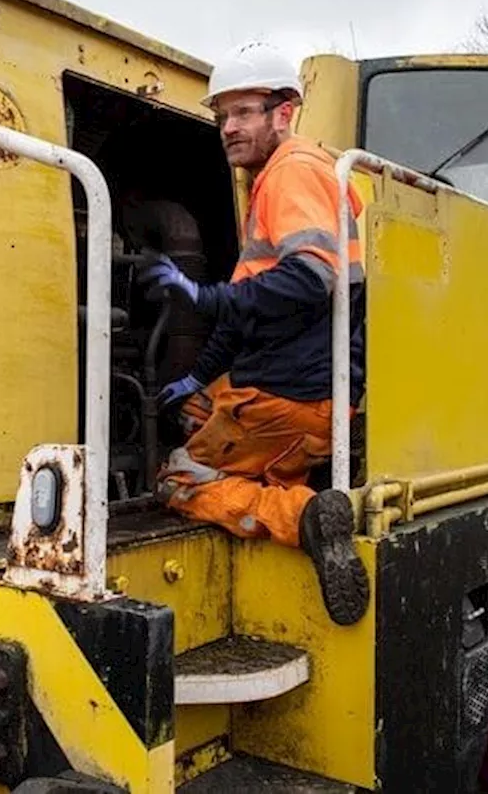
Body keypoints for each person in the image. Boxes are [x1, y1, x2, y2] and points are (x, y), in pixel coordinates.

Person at [137, 40, 370, 626]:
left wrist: (203, 296)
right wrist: (196, 372)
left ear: (284, 113)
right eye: (222, 117)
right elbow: (253, 313)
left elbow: (309, 280)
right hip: (306, 390)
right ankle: (267, 471)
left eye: (243, 113)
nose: (228, 128)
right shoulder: (285, 180)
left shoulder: (290, 173)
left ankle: (305, 517)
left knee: (177, 476)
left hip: (291, 400)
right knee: (195, 403)